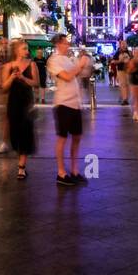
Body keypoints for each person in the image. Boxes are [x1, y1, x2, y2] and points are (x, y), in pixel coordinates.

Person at [49, 34, 92, 185]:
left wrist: (82, 65)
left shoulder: (68, 59)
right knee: (62, 138)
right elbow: (66, 76)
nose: (68, 45)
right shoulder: (53, 60)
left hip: (75, 104)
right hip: (63, 104)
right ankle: (61, 173)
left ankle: (74, 170)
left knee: (77, 137)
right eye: (66, 43)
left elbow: (76, 74)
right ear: (58, 44)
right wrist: (79, 65)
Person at [1, 41, 38, 180]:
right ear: (16, 50)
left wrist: (23, 78)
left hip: (27, 104)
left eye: (27, 48)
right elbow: (4, 88)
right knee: (15, 135)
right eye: (24, 48)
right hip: (14, 104)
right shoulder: (8, 66)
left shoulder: (32, 64)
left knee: (25, 133)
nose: (26, 51)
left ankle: (21, 168)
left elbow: (36, 83)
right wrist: (12, 77)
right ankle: (20, 161)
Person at [114, 40, 132, 105]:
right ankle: (125, 99)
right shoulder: (118, 52)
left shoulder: (129, 52)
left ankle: (126, 98)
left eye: (125, 44)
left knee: (128, 85)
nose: (124, 45)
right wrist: (120, 61)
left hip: (128, 70)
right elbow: (113, 61)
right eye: (122, 44)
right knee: (123, 84)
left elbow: (133, 60)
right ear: (120, 45)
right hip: (121, 70)